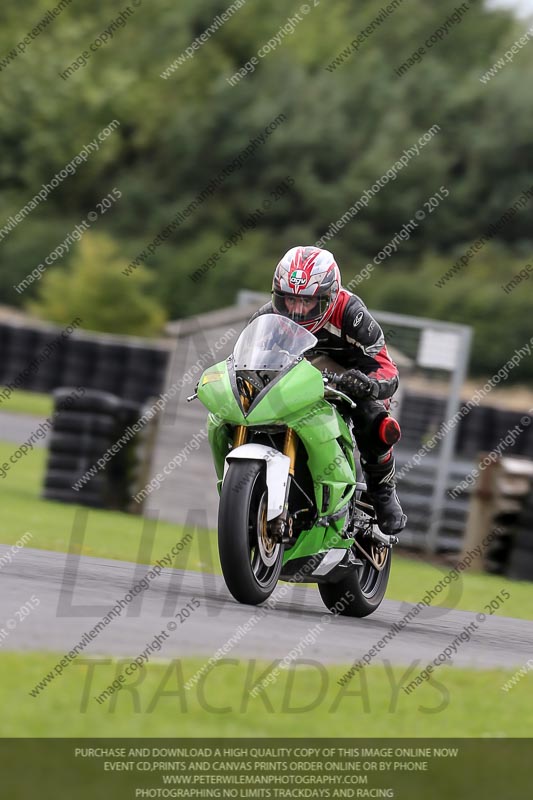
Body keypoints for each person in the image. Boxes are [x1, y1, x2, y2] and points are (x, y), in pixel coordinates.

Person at [250, 245, 407, 535]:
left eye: (307, 302)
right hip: (294, 380)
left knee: (376, 420)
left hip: (347, 377)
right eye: (288, 300)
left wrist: (369, 384)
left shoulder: (351, 313)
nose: (296, 310)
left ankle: (383, 492)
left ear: (329, 297)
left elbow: (386, 367)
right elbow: (246, 359)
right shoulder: (267, 318)